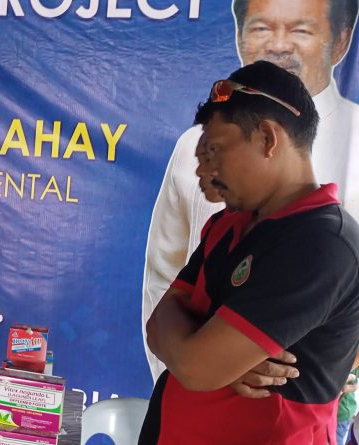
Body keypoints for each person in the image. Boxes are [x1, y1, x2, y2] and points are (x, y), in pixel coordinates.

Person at [140, 60, 359, 444]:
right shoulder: (226, 226)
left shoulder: (324, 245)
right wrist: (211, 355)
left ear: (267, 139)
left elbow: (195, 366)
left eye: (215, 150)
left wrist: (203, 354)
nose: (205, 170)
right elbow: (157, 325)